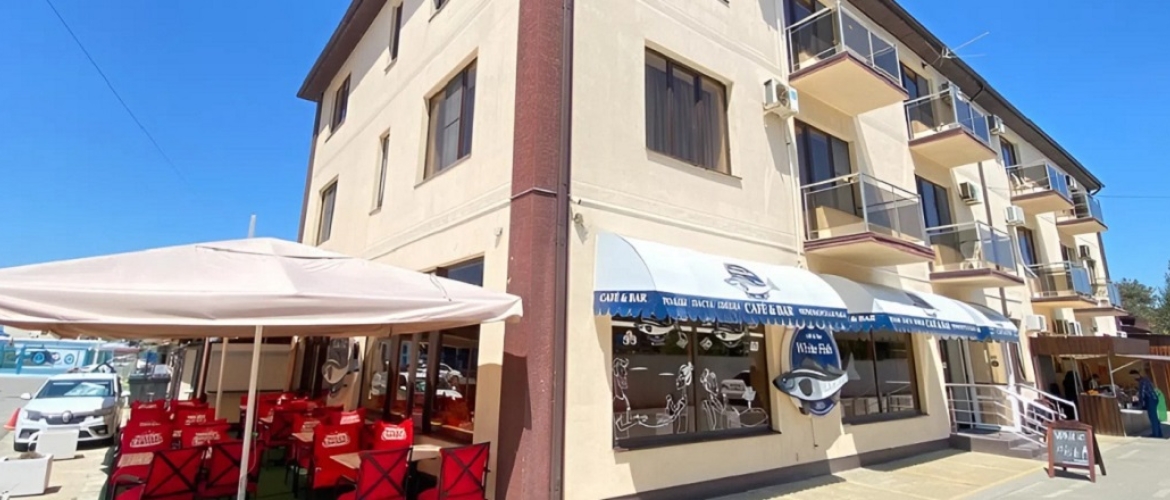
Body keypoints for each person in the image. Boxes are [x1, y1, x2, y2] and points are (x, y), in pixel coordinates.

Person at [1131, 369, 1163, 438]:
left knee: (1153, 417)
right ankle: (1158, 433)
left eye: (1133, 376)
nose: (1133, 378)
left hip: (1151, 399)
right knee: (1154, 417)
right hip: (1153, 398)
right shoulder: (1144, 380)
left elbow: (1142, 394)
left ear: (1136, 375)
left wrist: (1141, 404)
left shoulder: (1142, 381)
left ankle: (1156, 434)